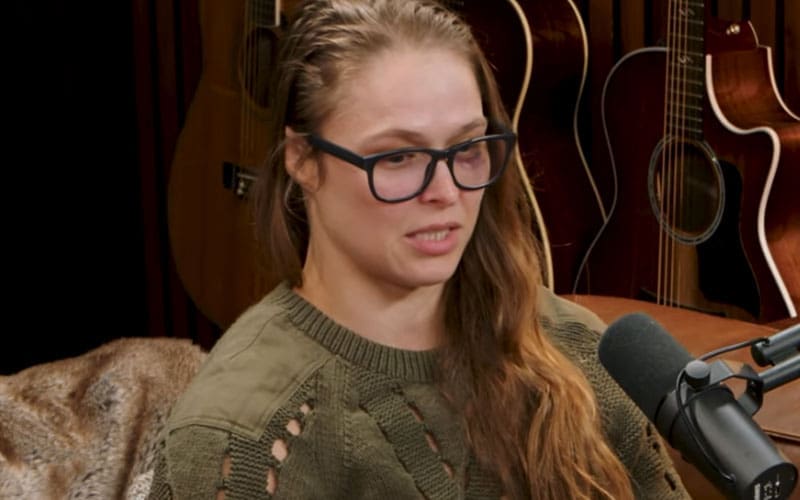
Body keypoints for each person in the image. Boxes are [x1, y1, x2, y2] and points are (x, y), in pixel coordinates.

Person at [147, 0, 691, 498]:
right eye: (397, 158)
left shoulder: (578, 349)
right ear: (303, 161)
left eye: (467, 148)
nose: (446, 192)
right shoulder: (244, 434)